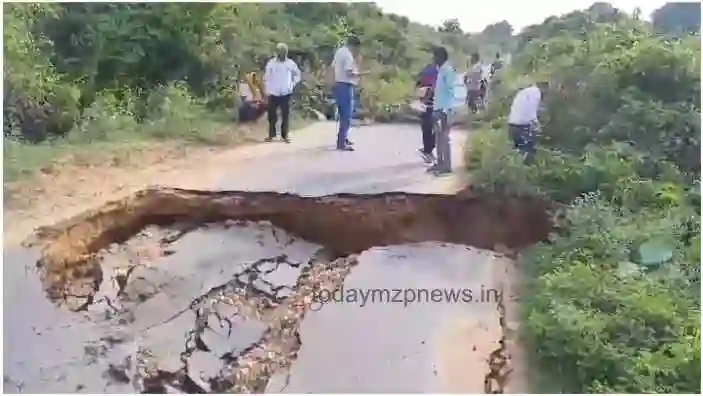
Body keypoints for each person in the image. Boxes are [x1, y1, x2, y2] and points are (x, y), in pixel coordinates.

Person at [263, 43, 301, 143]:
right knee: (272, 115)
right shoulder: (271, 63)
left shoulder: (290, 63)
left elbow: (297, 75)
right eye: (280, 52)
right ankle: (271, 135)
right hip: (273, 92)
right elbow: (267, 77)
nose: (282, 54)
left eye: (284, 52)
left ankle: (285, 135)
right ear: (277, 53)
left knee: (285, 114)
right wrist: (267, 90)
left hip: (285, 92)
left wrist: (292, 84)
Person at [332, 35, 365, 151]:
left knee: (343, 114)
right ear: (354, 46)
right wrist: (362, 74)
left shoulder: (340, 52)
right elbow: (349, 72)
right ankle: (341, 143)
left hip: (339, 84)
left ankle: (343, 137)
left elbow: (334, 68)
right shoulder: (348, 55)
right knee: (346, 115)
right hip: (345, 85)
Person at [427, 46, 455, 176]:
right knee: (438, 138)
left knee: (444, 138)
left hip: (444, 110)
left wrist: (444, 110)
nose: (433, 58)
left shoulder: (447, 71)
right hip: (438, 108)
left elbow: (451, 91)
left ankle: (447, 166)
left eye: (435, 56)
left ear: (441, 57)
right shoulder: (441, 70)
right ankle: (440, 163)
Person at [507, 80, 549, 164]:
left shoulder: (526, 92)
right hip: (522, 126)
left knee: (518, 154)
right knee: (528, 152)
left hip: (513, 125)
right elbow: (532, 111)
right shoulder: (536, 93)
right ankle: (527, 171)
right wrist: (537, 125)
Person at [415, 62, 438, 164]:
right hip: (432, 103)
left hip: (427, 103)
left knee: (427, 128)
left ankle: (427, 150)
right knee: (433, 128)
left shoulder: (427, 70)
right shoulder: (437, 71)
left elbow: (418, 85)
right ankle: (428, 150)